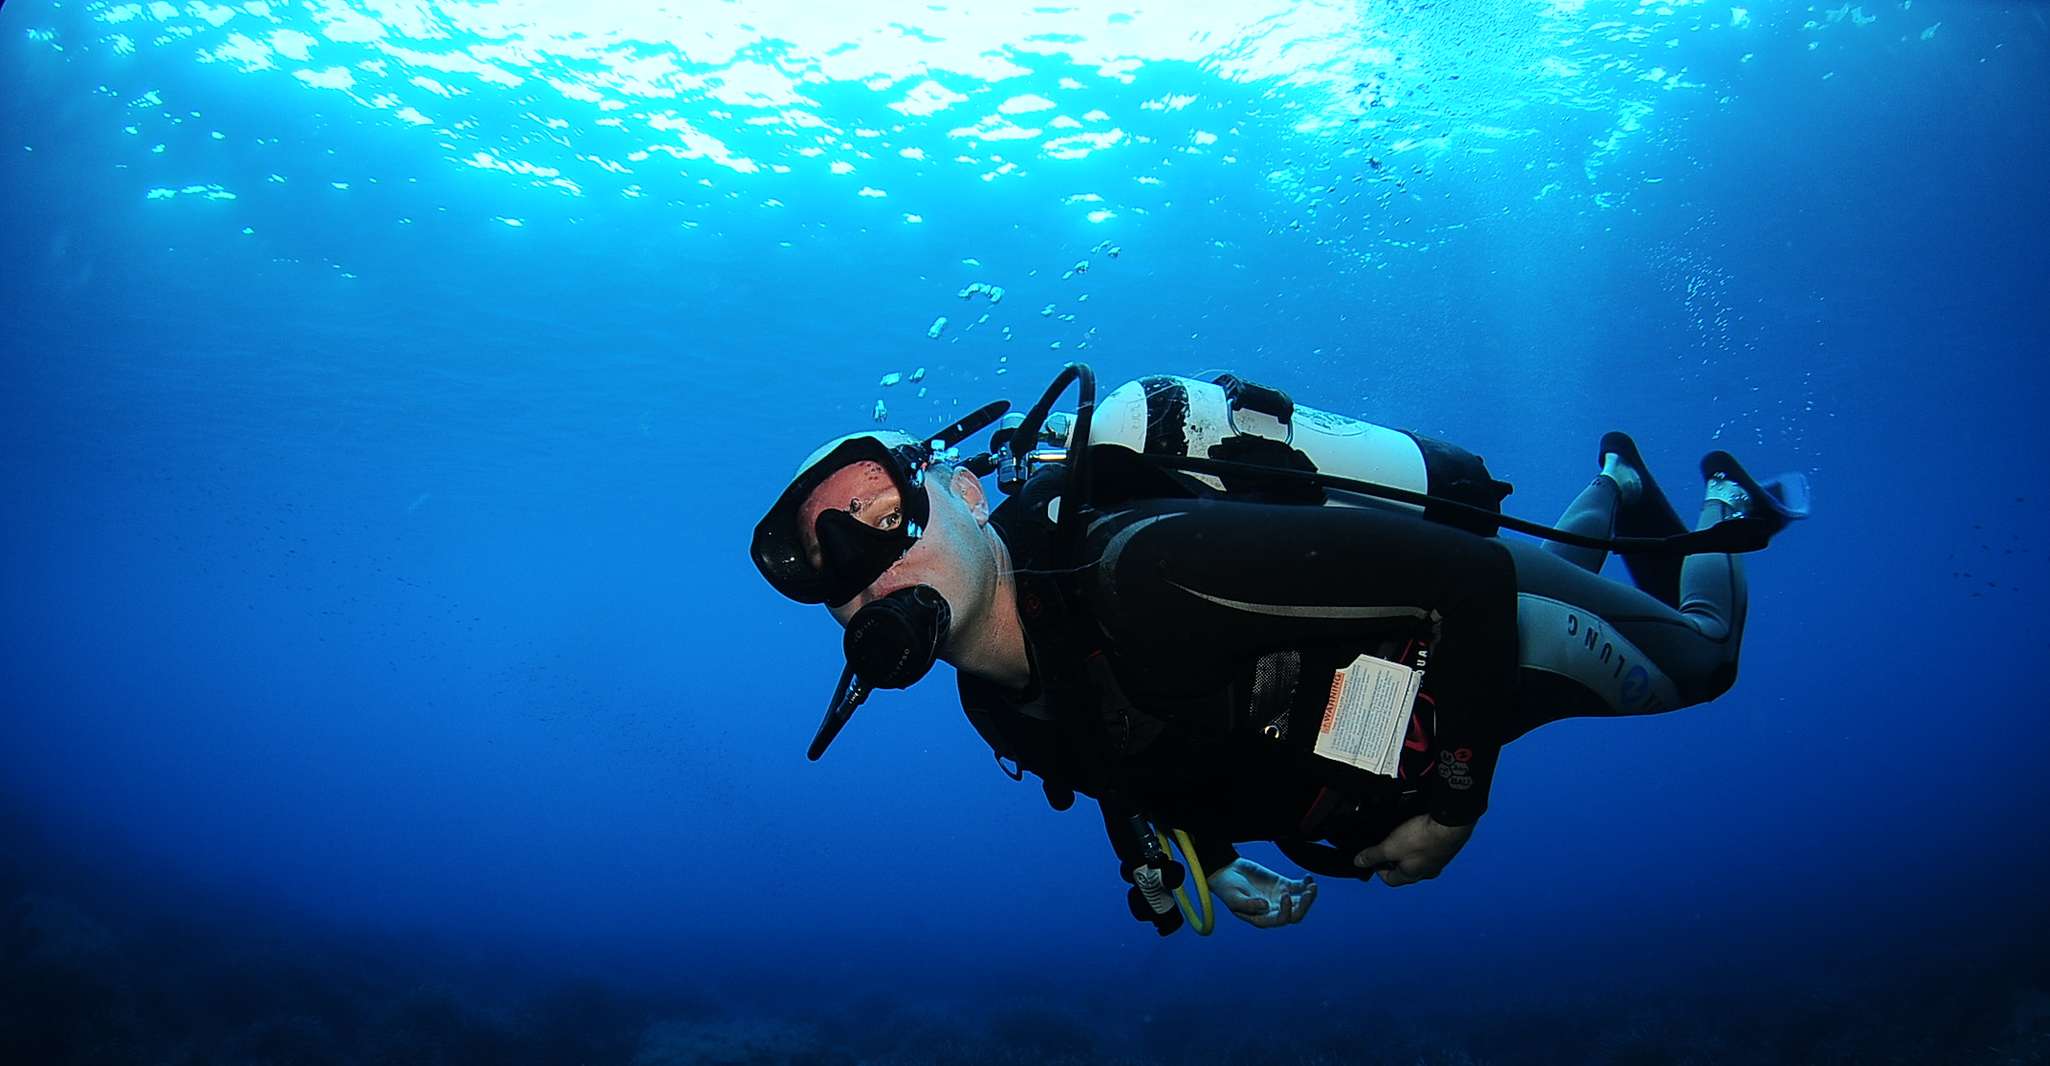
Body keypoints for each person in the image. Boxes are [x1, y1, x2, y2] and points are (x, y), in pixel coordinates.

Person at [750, 368, 1808, 933]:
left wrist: (1450, 805)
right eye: (823, 561)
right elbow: (1129, 737)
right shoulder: (990, 694)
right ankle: (1614, 484)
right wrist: (1208, 862)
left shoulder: (1153, 568)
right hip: (1399, 710)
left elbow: (1470, 578)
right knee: (1601, 581)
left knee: (1703, 663)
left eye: (882, 511)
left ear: (968, 493)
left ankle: (1718, 509)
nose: (863, 566)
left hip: (1484, 641)